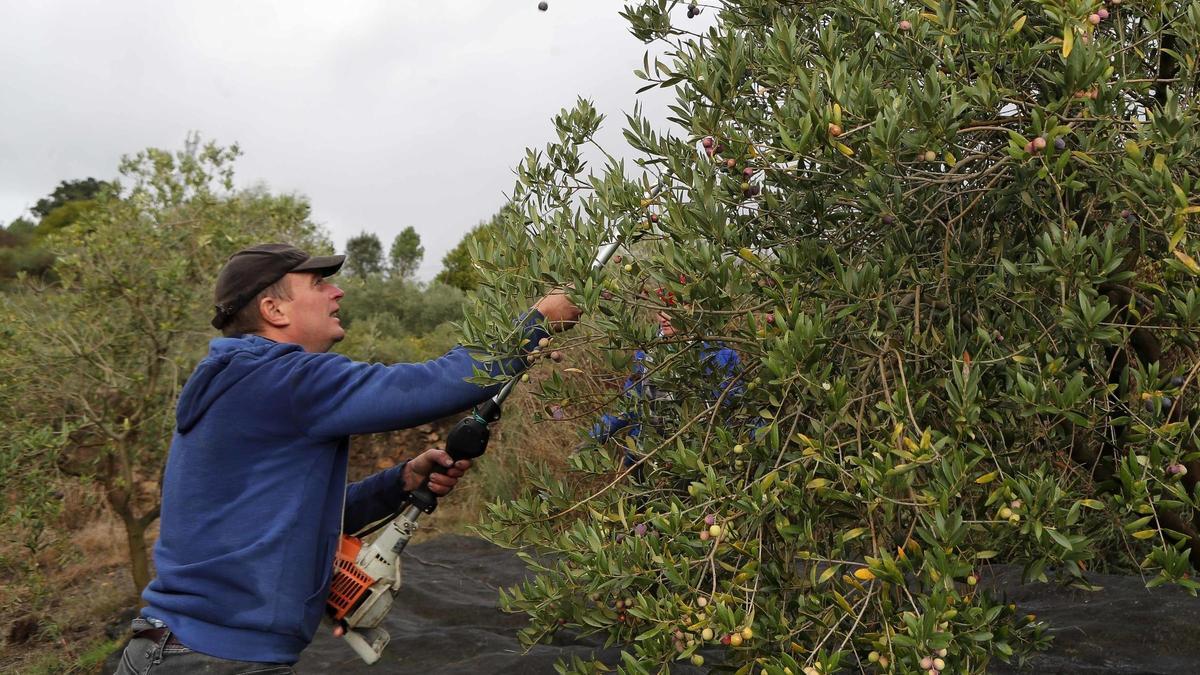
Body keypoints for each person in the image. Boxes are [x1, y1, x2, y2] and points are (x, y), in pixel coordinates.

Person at [114, 243, 580, 673]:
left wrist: (399, 481)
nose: (336, 292)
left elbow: (291, 515)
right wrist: (537, 323)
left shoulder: (243, 380)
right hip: (214, 658)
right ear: (272, 309)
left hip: (174, 650)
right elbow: (431, 384)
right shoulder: (281, 378)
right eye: (317, 284)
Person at [590, 309, 741, 470]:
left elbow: (735, 409)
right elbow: (630, 404)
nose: (663, 318)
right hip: (649, 456)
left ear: (692, 309)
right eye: (659, 310)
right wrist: (593, 438)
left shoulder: (719, 355)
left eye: (671, 309)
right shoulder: (647, 354)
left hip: (702, 456)